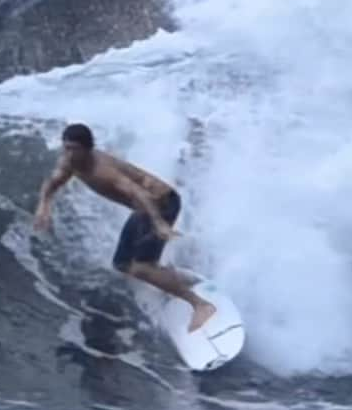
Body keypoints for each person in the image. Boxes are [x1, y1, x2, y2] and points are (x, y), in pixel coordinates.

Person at [33, 123, 216, 333]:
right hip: (142, 211)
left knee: (141, 267)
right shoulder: (70, 162)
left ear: (88, 148)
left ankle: (201, 305)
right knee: (122, 264)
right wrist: (43, 206)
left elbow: (140, 193)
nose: (69, 154)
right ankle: (170, 278)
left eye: (74, 149)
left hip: (161, 204)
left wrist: (159, 223)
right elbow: (53, 182)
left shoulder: (102, 171)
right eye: (66, 148)